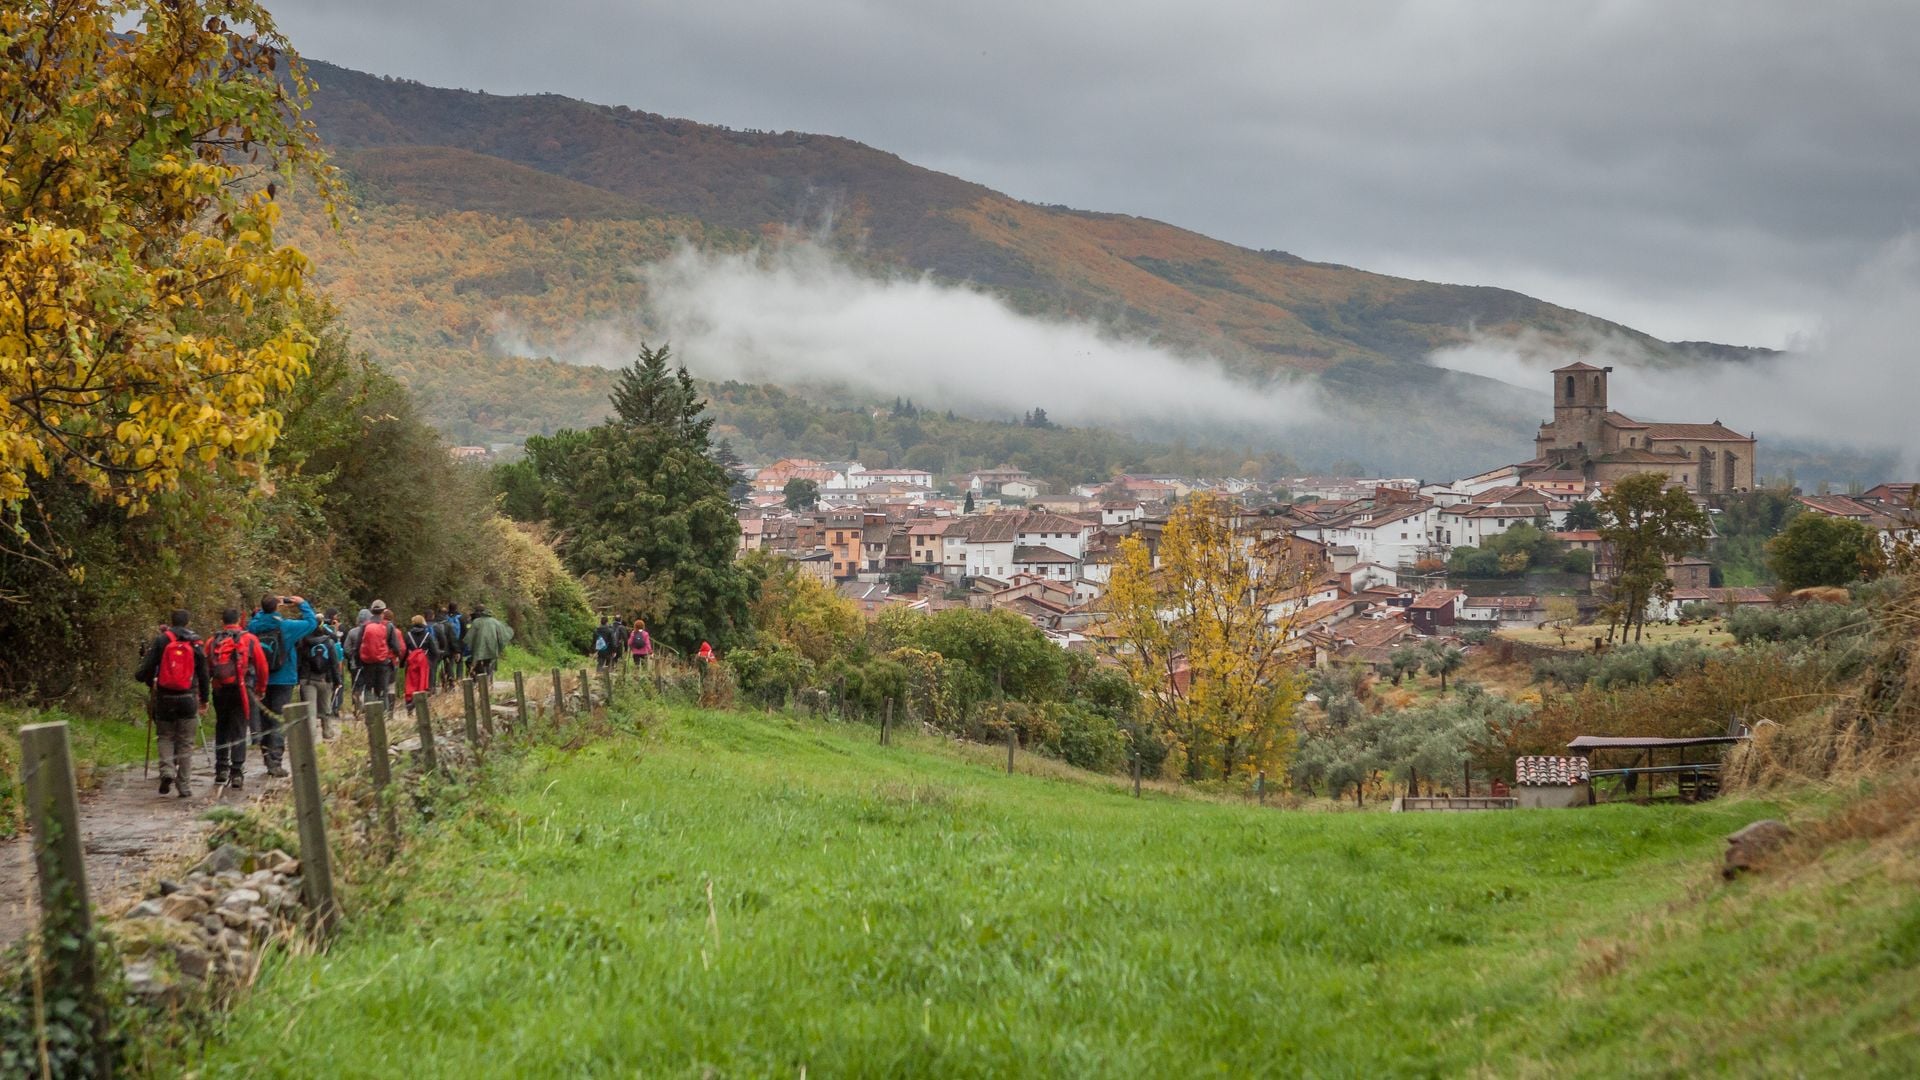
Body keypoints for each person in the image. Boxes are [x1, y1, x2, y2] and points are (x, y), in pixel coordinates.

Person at [135, 610, 210, 797]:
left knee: (165, 736)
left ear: (172, 621)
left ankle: (167, 771)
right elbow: (204, 673)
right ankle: (184, 785)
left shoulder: (162, 640)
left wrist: (147, 680)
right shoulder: (195, 642)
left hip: (165, 697)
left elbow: (146, 669)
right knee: (186, 742)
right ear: (188, 622)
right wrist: (205, 700)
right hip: (188, 697)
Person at [246, 593, 317, 778]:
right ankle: (275, 762)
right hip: (283, 678)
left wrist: (265, 609)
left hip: (260, 679)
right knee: (278, 719)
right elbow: (312, 623)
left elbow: (253, 622)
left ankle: (266, 758)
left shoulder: (253, 626)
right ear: (277, 607)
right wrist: (303, 604)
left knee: (264, 720)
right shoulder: (287, 626)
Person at [205, 608, 268, 790]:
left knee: (222, 726)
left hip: (220, 690)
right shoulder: (249, 639)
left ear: (222, 621)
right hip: (242, 689)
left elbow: (206, 667)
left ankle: (221, 769)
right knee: (239, 728)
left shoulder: (212, 641)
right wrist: (261, 689)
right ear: (239, 621)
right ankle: (237, 771)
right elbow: (261, 666)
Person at [350, 600, 407, 707]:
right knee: (383, 691)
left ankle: (369, 715)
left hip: (367, 663)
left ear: (371, 611)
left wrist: (359, 662)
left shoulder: (365, 626)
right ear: (383, 612)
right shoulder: (388, 626)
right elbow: (395, 646)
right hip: (383, 663)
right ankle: (384, 717)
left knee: (368, 688)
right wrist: (395, 658)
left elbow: (357, 646)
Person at [300, 609, 344, 739]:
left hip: (307, 680)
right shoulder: (329, 641)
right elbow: (334, 663)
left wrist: (298, 679)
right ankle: (328, 734)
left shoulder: (303, 641)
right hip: (325, 680)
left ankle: (311, 739)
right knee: (326, 709)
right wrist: (337, 681)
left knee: (310, 712)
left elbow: (300, 661)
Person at [462, 603, 514, 679]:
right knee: (489, 665)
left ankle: (478, 683)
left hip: (477, 650)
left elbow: (468, 638)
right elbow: (504, 636)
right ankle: (488, 682)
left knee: (477, 666)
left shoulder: (475, 621)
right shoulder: (495, 622)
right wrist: (499, 647)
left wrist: (465, 647)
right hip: (492, 649)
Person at [403, 613, 441, 704]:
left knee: (411, 684)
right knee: (425, 683)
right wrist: (434, 660)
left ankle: (410, 704)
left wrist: (402, 663)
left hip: (411, 663)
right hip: (425, 663)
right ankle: (423, 704)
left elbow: (404, 651)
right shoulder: (427, 635)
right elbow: (435, 651)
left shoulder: (408, 635)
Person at [442, 603, 466, 686]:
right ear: (456, 608)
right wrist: (462, 644)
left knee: (449, 662)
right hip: (459, 643)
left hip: (448, 645)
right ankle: (459, 679)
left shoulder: (445, 618)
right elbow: (464, 631)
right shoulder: (461, 618)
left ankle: (450, 679)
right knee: (459, 662)